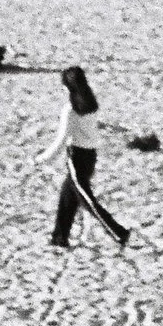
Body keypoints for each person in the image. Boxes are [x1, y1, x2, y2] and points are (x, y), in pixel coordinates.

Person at [38, 65, 128, 248]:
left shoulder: (70, 110)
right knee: (67, 197)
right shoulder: (91, 104)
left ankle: (118, 232)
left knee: (87, 201)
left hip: (77, 157)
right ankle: (59, 238)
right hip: (91, 156)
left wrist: (40, 159)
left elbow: (61, 140)